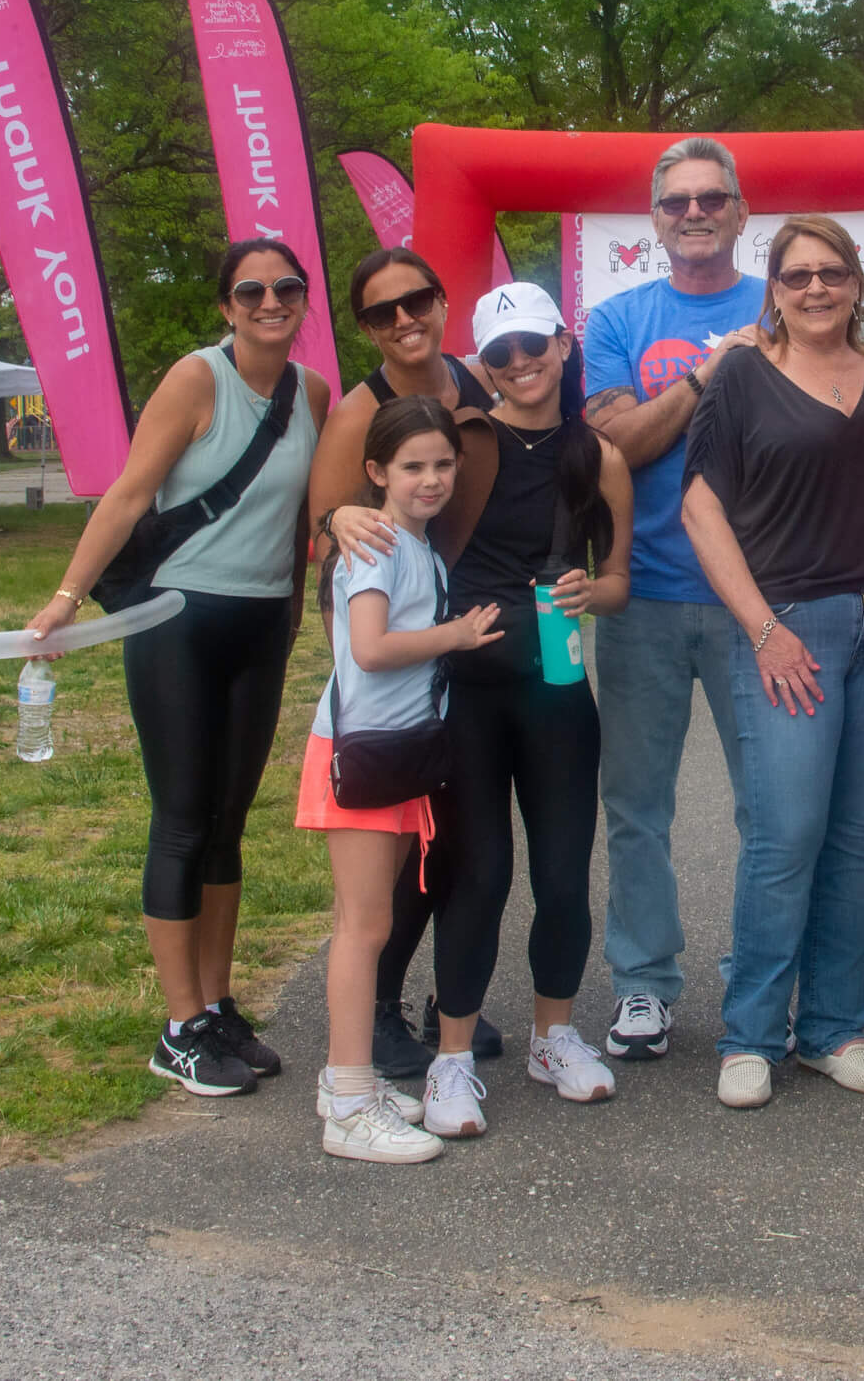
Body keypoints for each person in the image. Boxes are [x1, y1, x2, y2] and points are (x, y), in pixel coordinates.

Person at [26, 241, 329, 1096]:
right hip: (176, 620)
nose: (272, 302)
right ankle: (178, 1025)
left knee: (230, 822)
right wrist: (67, 597)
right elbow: (128, 493)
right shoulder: (196, 380)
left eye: (288, 288)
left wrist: (304, 611)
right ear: (228, 306)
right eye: (252, 291)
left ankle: (218, 1007)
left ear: (304, 301)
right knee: (183, 819)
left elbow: (301, 520)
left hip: (261, 624)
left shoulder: (311, 393)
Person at [332, 282, 632, 1137]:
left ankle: (553, 1035)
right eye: (499, 354)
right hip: (464, 692)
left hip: (558, 690)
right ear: (484, 364)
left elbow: (618, 579)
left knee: (565, 874)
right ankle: (452, 1060)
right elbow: (394, 493)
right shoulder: (462, 440)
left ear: (563, 345)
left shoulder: (597, 456)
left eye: (533, 345)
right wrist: (342, 513)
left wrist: (589, 592)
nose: (519, 364)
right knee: (479, 874)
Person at [682, 215, 864, 1110]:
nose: (815, 289)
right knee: (784, 839)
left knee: (855, 840)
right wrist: (761, 629)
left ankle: (832, 1029)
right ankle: (750, 1033)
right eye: (796, 275)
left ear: (858, 284)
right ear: (772, 288)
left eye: (832, 273)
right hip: (788, 630)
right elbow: (702, 509)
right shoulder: (741, 375)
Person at [581, 137, 765, 1061]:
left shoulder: (787, 304)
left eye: (711, 200)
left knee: (769, 807)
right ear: (655, 221)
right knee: (637, 806)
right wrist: (710, 372)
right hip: (644, 595)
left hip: (757, 604)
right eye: (677, 203)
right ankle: (645, 986)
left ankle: (760, 982)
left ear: (740, 214)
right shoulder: (616, 320)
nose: (694, 214)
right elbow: (617, 447)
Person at [307, 248, 504, 1078]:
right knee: (373, 903)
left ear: (442, 298)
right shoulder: (364, 416)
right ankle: (366, 1040)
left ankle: (439, 1002)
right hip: (390, 684)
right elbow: (328, 525)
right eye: (381, 312)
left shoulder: (481, 375)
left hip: (447, 665)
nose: (403, 319)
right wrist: (343, 522)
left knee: (446, 853)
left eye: (416, 299)